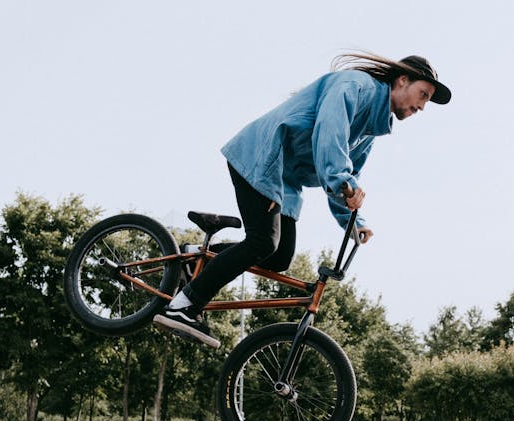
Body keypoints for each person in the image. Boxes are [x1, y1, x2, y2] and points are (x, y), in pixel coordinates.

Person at [153, 52, 451, 347]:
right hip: (265, 154)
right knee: (262, 241)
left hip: (285, 179)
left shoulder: (372, 128)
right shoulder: (354, 86)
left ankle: (196, 257)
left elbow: (342, 178)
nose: (423, 106)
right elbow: (330, 139)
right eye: (422, 94)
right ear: (402, 80)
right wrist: (343, 182)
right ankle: (183, 307)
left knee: (279, 256)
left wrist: (354, 220)